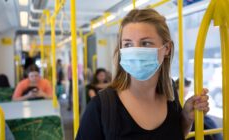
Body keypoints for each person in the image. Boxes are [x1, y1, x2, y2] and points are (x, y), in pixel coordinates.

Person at [76, 9, 209, 140]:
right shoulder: (101, 108)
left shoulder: (170, 92)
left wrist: (186, 117)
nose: (135, 51)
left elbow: (175, 135)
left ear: (166, 49)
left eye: (145, 43)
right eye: (128, 44)